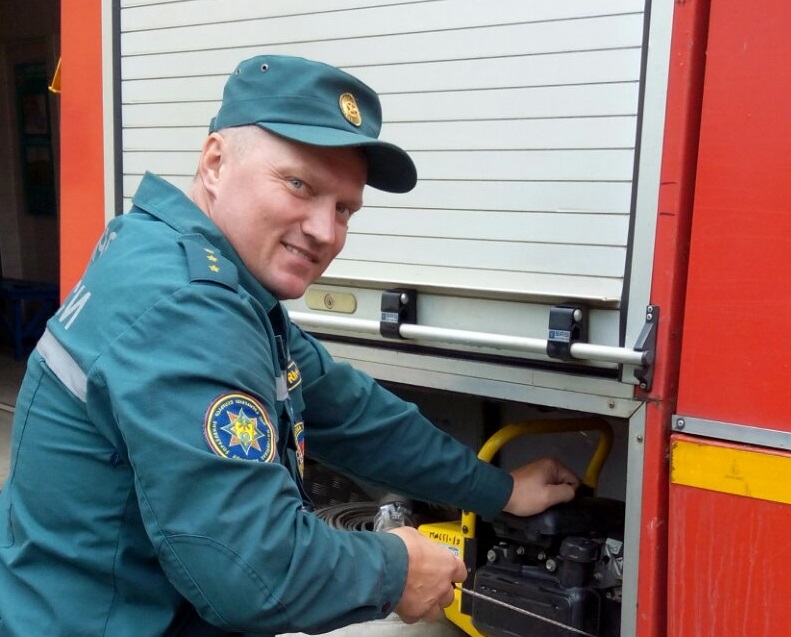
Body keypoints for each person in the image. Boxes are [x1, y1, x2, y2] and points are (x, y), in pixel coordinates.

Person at [0, 55, 579, 636]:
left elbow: (349, 411)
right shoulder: (187, 308)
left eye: (344, 208)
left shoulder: (184, 262)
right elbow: (255, 570)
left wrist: (499, 491)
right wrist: (398, 570)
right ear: (215, 162)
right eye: (299, 184)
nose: (326, 232)